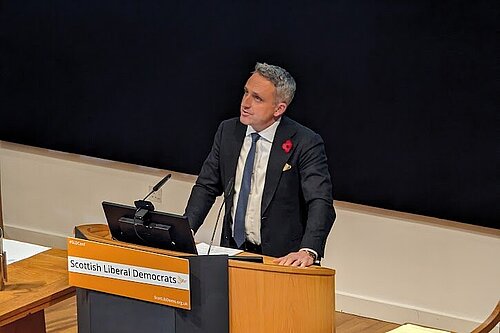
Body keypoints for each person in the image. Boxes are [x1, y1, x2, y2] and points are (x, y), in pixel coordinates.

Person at [185, 62, 335, 267]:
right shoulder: (228, 131)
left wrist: (309, 250)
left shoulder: (305, 142)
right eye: (246, 93)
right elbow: (207, 186)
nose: (245, 103)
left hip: (282, 260)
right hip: (232, 252)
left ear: (279, 108)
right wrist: (186, 230)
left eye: (257, 98)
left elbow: (320, 201)